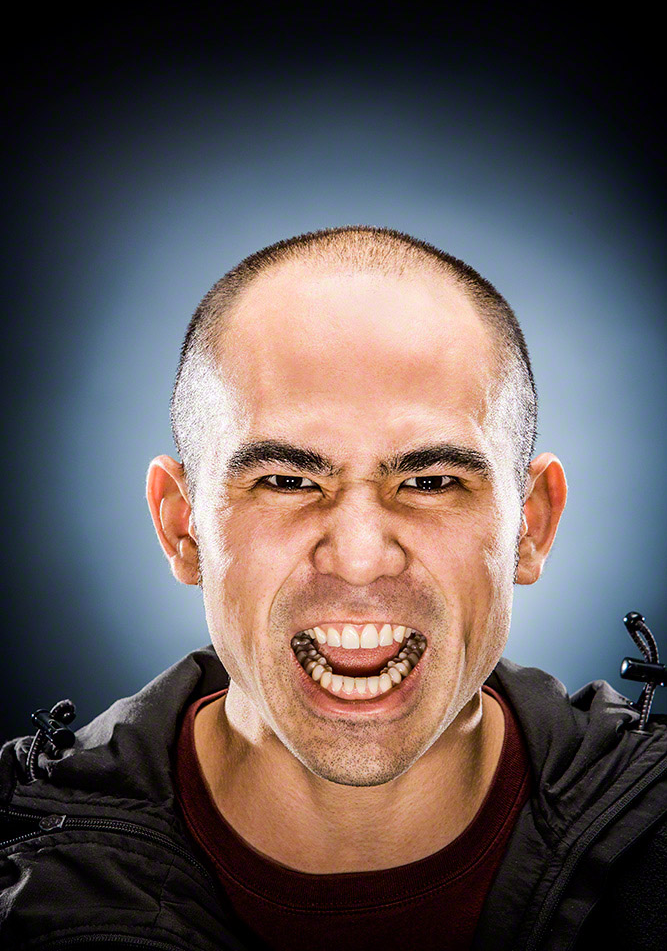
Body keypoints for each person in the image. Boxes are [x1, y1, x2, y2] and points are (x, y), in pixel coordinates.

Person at [1, 226, 665, 951]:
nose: (357, 560)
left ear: (529, 526)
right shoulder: (18, 863)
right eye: (286, 481)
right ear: (183, 527)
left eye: (430, 481)